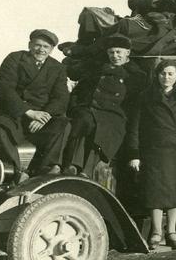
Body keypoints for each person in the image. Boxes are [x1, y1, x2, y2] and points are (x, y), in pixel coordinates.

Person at [127, 60, 176, 250]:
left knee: (175, 193)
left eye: (170, 74)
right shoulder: (145, 97)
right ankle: (156, 232)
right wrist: (134, 153)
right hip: (153, 152)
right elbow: (135, 127)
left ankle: (171, 232)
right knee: (155, 193)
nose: (166, 77)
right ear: (157, 75)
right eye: (163, 73)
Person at [0, 29, 70, 179]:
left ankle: (45, 170)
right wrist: (29, 112)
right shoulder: (14, 59)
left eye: (46, 47)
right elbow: (5, 90)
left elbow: (61, 98)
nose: (41, 50)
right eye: (37, 45)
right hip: (15, 115)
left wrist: (45, 116)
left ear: (51, 49)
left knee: (63, 125)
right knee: (0, 127)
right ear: (29, 45)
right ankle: (16, 172)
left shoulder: (57, 68)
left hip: (41, 118)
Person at [62, 34, 145, 176]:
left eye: (118, 52)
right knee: (84, 120)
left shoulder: (135, 76)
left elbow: (134, 105)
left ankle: (86, 170)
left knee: (104, 129)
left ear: (127, 52)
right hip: (90, 108)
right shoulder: (97, 69)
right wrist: (76, 106)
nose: (115, 56)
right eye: (111, 52)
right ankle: (72, 165)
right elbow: (81, 90)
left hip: (115, 115)